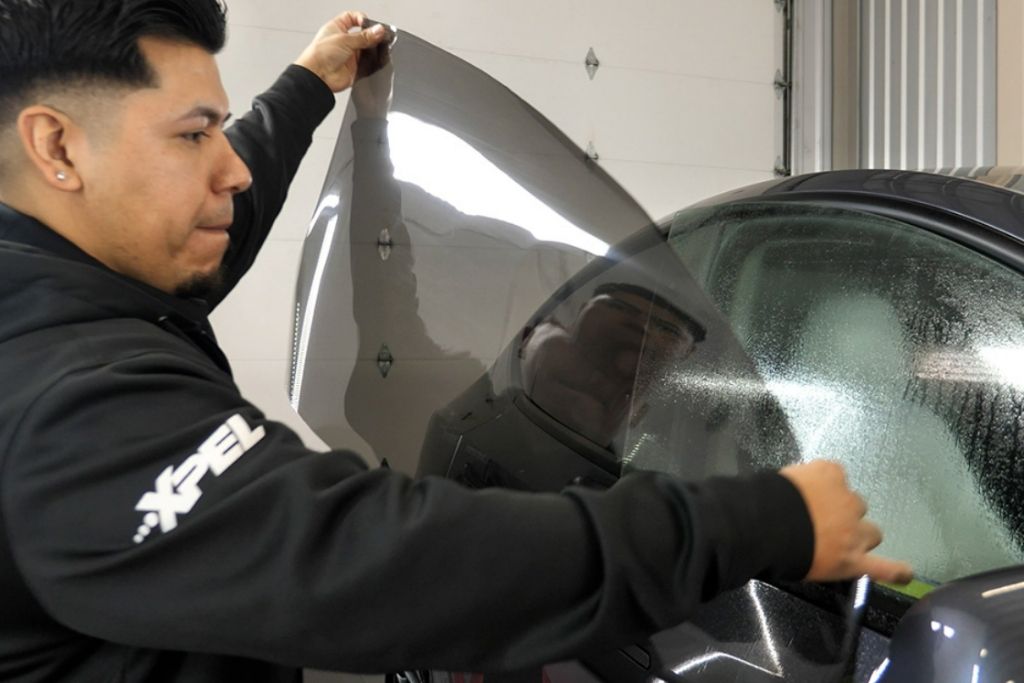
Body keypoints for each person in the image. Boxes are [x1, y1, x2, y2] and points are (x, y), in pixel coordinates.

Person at [0, 1, 913, 681]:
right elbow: (380, 563)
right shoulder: (69, 401)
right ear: (59, 149)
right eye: (195, 133)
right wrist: (762, 521)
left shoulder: (70, 270)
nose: (231, 166)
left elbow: (223, 216)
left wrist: (309, 88)